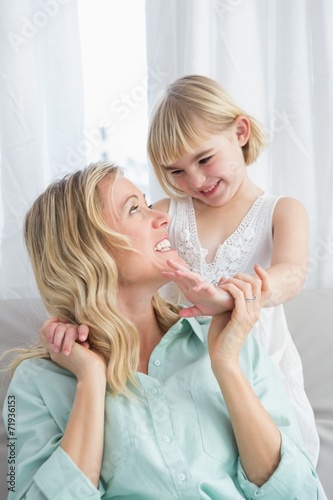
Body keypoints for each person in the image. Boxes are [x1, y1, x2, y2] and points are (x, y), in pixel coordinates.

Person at [2, 162, 319, 499]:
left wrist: (226, 364)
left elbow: (300, 492)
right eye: (135, 210)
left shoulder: (231, 339)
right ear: (86, 250)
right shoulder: (35, 383)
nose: (163, 217)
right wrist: (90, 380)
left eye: (146, 204)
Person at [146, 74, 320, 465]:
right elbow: (114, 273)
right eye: (175, 171)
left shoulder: (282, 211)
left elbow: (291, 274)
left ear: (240, 132)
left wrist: (236, 297)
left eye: (204, 159)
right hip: (184, 383)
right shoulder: (164, 215)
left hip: (261, 380)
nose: (195, 180)